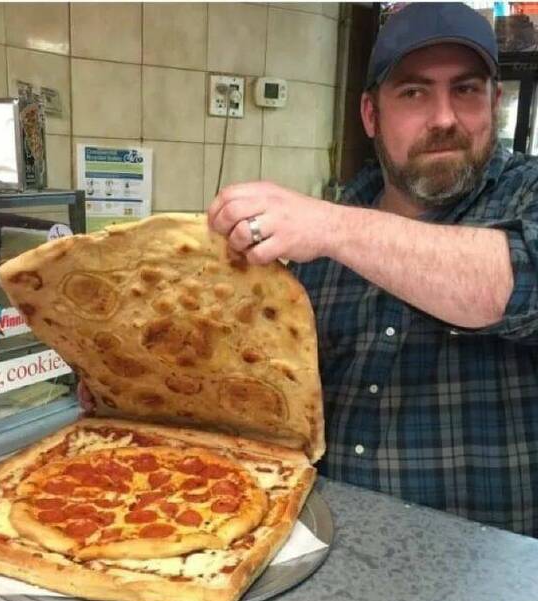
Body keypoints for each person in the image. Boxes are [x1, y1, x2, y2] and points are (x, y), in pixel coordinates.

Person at [207, 2, 538, 538]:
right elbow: (266, 398)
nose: (444, 118)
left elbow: (513, 284)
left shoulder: (526, 195)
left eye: (466, 90)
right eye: (414, 93)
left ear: (495, 103)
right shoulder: (320, 245)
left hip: (487, 576)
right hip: (311, 550)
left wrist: (332, 227)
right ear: (370, 115)